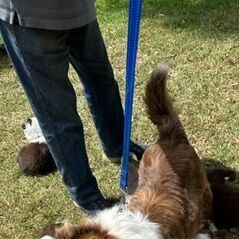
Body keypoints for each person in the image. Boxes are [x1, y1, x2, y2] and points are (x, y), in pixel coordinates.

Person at [0, 1, 145, 215]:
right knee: (58, 113)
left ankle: (117, 146)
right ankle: (87, 196)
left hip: (78, 8)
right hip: (31, 16)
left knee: (102, 82)